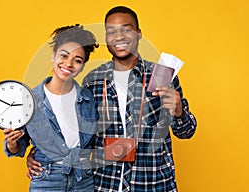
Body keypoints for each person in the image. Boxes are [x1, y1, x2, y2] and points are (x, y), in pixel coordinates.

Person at [27, 6, 197, 192]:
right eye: (111, 31)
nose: (119, 37)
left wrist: (179, 111)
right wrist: (40, 154)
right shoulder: (93, 81)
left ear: (139, 34)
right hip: (106, 184)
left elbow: (186, 131)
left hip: (152, 182)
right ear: (106, 38)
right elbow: (80, 134)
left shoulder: (162, 75)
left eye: (126, 29)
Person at [3, 24, 99, 191]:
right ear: (53, 56)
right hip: (47, 178)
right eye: (64, 55)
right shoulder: (30, 99)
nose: (69, 64)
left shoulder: (89, 98)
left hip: (83, 179)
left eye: (77, 60)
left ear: (83, 66)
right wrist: (12, 144)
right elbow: (20, 145)